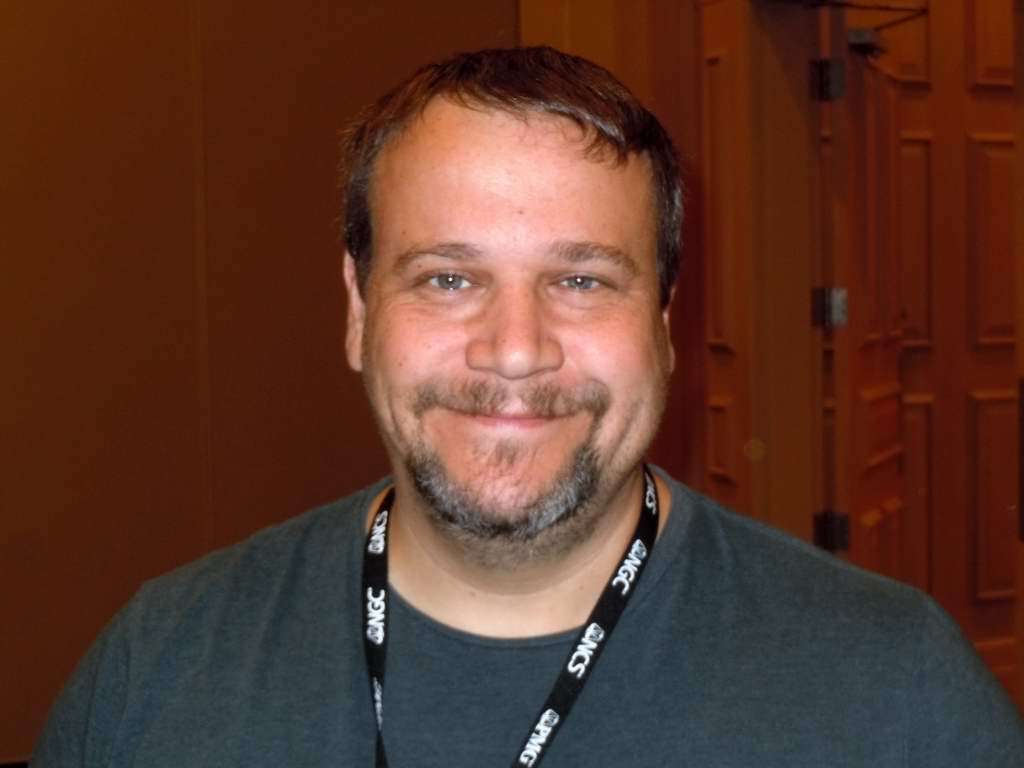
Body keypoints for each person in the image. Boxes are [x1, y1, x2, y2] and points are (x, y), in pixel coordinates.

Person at [33, 46, 1023, 767]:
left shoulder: (896, 696)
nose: (515, 349)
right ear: (358, 312)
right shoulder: (156, 671)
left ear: (664, 323)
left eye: (582, 280)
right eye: (447, 278)